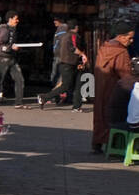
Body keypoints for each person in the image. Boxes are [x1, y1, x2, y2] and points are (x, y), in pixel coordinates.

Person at [91, 19, 137, 154]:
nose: (131, 41)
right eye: (129, 38)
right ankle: (115, 144)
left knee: (100, 114)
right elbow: (126, 75)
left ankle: (98, 142)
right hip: (114, 90)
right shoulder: (121, 52)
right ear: (121, 36)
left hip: (101, 88)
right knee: (113, 116)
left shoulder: (104, 48)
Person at [40, 16, 86, 109]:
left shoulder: (63, 35)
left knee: (77, 84)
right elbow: (72, 48)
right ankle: (45, 97)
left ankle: (77, 106)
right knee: (66, 85)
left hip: (67, 62)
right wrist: (82, 54)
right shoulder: (72, 35)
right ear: (76, 27)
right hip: (69, 63)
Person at [0, 11, 27, 108]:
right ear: (10, 19)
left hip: (12, 58)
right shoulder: (5, 30)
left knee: (19, 79)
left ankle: (18, 102)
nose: (17, 21)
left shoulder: (13, 30)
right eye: (16, 19)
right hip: (3, 58)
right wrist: (10, 48)